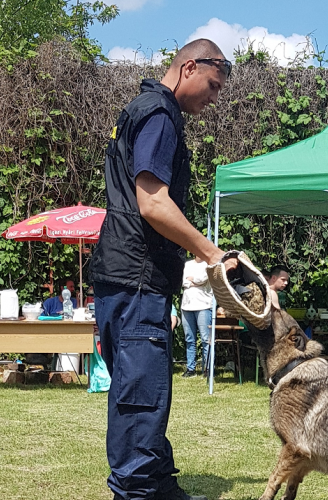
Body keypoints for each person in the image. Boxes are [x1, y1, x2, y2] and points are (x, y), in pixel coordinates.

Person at [92, 38, 237, 500]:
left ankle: (158, 485)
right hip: (136, 279)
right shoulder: (159, 113)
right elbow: (153, 203)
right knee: (141, 398)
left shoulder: (142, 109)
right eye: (214, 86)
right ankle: (138, 491)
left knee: (141, 390)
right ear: (190, 67)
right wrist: (212, 254)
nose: (215, 98)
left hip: (124, 276)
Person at [180, 256, 213, 377]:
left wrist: (192, 279)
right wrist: (194, 282)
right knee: (189, 339)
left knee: (206, 339)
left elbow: (203, 279)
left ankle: (208, 368)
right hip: (186, 306)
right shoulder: (187, 264)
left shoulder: (208, 265)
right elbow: (182, 281)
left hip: (203, 305)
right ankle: (191, 368)